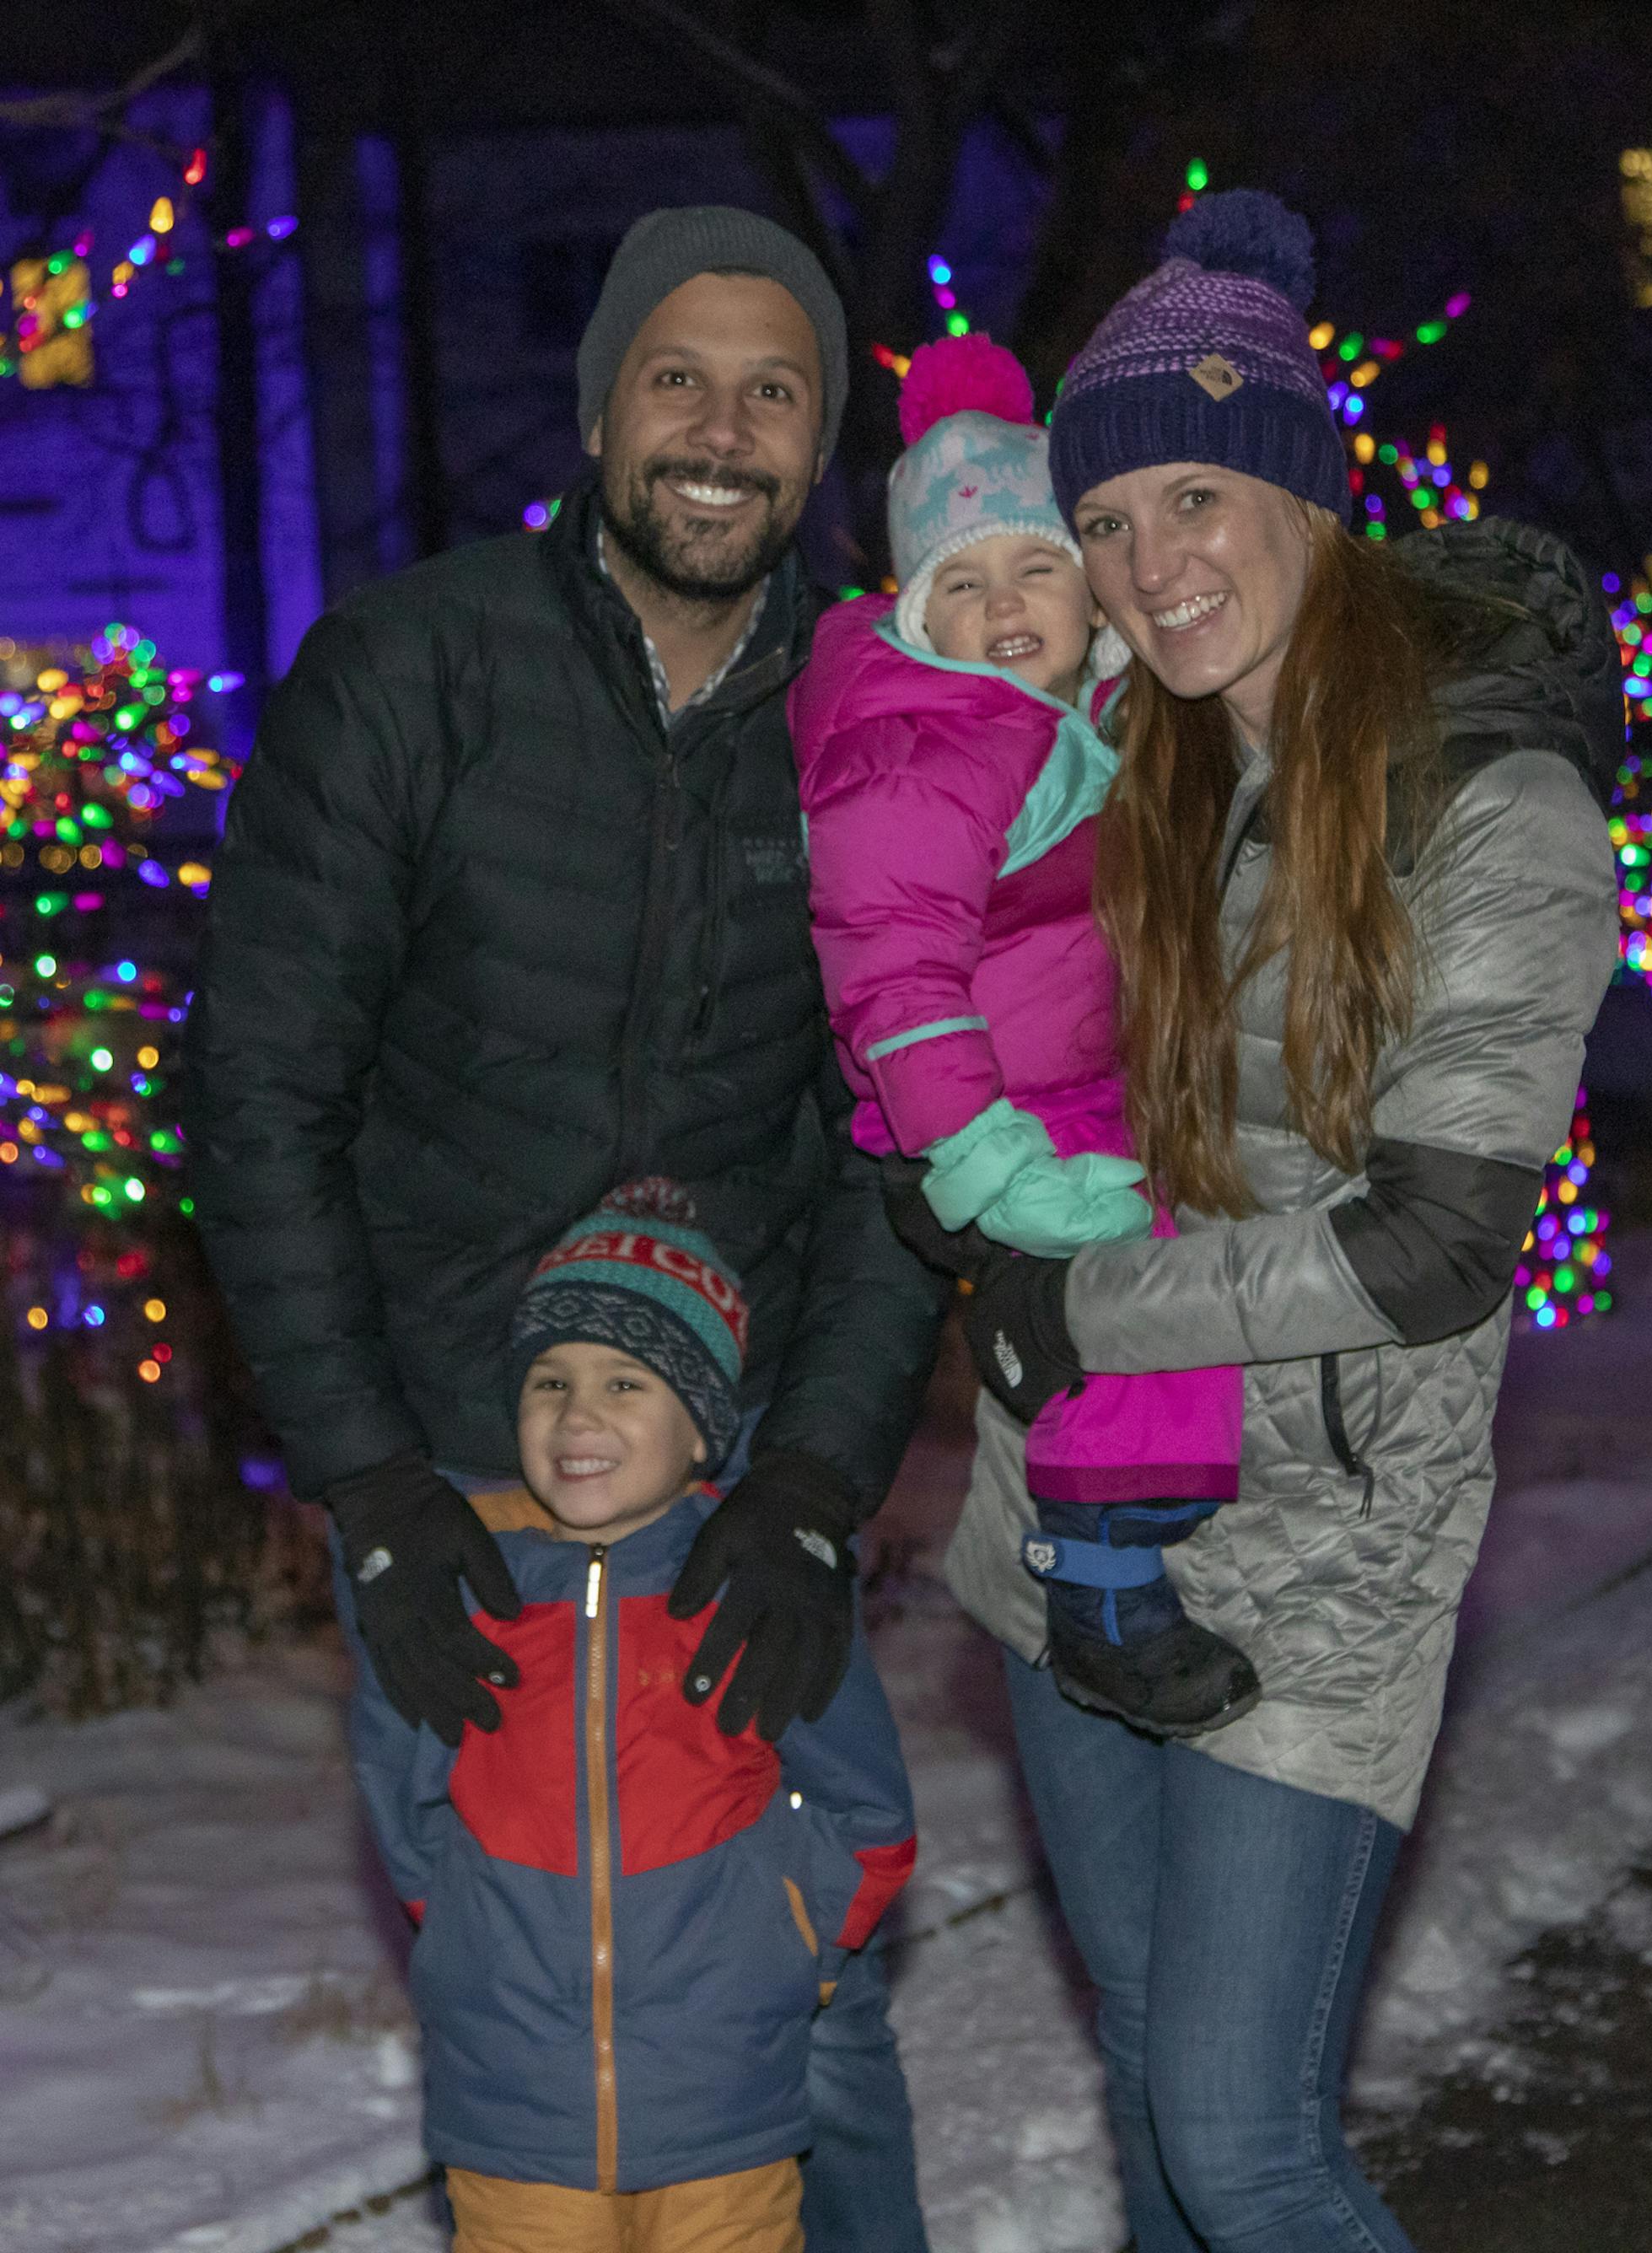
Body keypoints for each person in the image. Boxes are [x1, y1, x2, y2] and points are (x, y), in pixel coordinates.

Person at [185, 207, 945, 2252]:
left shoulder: (877, 714)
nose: (721, 429)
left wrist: (807, 1480)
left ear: (822, 440)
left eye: (772, 389)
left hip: (732, 1474)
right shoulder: (411, 671)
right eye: (677, 378)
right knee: (517, 1998)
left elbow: (902, 1126)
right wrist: (360, 1476)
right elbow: (258, 1088)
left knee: (811, 2017)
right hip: (444, 1470)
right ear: (600, 399)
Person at [917, 191, 1622, 2248]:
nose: (1150, 566)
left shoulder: (1490, 801)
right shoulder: (1100, 776)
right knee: (1148, 2091)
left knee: (1239, 2139)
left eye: (1198, 494)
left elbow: (1430, 1245)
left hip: (1315, 1573)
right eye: (1109, 517)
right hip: (1061, 1534)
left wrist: (1074, 1303)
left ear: (1312, 494)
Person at [791, 332, 1255, 1735]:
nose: (1003, 610)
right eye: (962, 583)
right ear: (917, 610)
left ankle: (1138, 1528)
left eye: (1035, 570)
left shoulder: (1079, 718)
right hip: (986, 1110)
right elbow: (898, 981)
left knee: (1188, 1281)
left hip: (1075, 1079)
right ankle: (1101, 1583)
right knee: (1125, 1289)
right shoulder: (920, 750)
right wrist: (991, 1167)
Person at [338, 1180, 916, 2252]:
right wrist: (472, 1926)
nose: (577, 1413)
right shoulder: (472, 1590)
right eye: (548, 1380)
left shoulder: (752, 1591)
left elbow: (867, 1809)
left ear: (704, 1430)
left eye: (626, 1381)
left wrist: (792, 1942)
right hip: (512, 2113)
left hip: (725, 2107)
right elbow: (404, 1799)